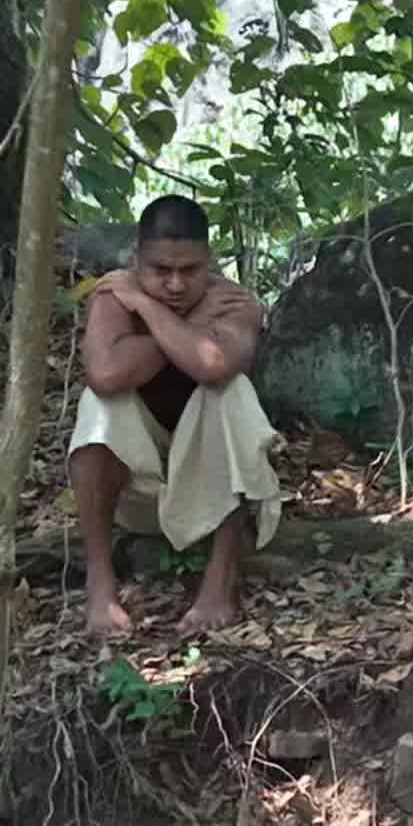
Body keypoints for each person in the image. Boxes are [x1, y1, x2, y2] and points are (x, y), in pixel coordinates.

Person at [69, 195, 281, 637]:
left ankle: (220, 581)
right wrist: (189, 325)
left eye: (190, 270)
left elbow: (212, 366)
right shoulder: (115, 295)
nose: (176, 285)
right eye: (160, 270)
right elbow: (106, 375)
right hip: (138, 494)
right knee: (98, 405)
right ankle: (100, 584)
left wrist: (149, 309)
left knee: (231, 393)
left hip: (213, 491)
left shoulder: (235, 302)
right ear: (136, 260)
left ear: (210, 261)